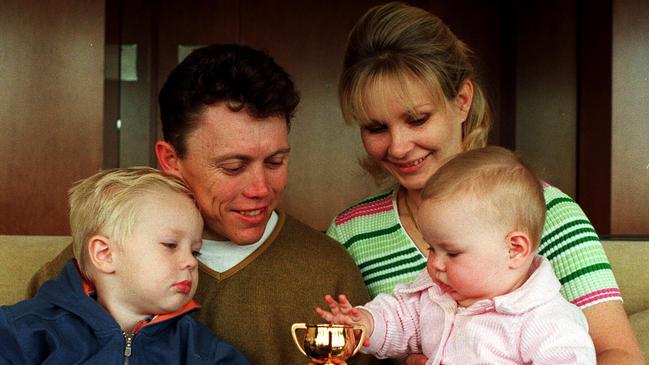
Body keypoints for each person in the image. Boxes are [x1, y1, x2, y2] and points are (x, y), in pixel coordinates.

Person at [326, 2, 644, 364]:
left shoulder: (546, 212)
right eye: (376, 127)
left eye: (417, 119)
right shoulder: (349, 233)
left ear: (462, 101)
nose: (398, 147)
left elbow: (620, 355)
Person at [27, 44, 376, 365]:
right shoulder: (85, 271)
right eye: (233, 167)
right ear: (171, 159)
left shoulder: (329, 272)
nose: (260, 189)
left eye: (275, 162)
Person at [318, 147, 596, 364]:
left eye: (451, 252)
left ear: (515, 250)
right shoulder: (434, 296)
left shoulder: (546, 321)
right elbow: (399, 317)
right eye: (431, 248)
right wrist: (365, 323)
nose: (435, 264)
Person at [1, 167, 249, 364]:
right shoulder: (26, 331)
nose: (190, 262)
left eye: (195, 251)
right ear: (105, 254)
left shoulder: (200, 350)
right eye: (171, 245)